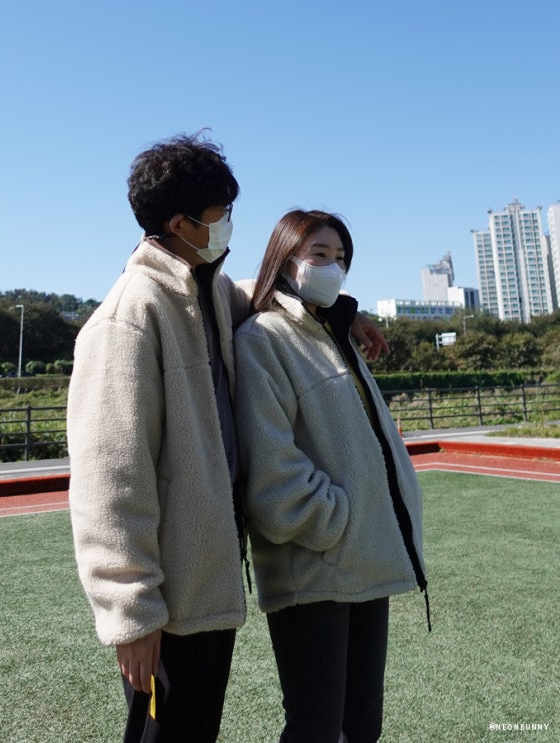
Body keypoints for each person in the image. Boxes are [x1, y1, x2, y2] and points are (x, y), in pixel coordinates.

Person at [67, 136, 390, 743]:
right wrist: (130, 612)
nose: (229, 224)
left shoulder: (206, 289)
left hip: (206, 583)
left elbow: (258, 291)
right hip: (165, 598)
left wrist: (348, 312)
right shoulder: (127, 318)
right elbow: (108, 478)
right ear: (180, 224)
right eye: (220, 213)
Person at [233, 209, 429, 743]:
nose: (332, 267)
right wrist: (335, 519)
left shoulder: (332, 332)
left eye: (341, 258)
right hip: (314, 569)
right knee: (316, 728)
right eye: (318, 254)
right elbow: (272, 467)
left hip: (361, 558)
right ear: (285, 259)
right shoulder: (263, 339)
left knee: (362, 726)